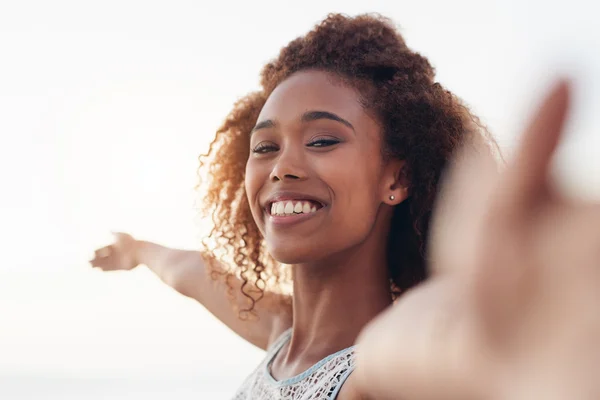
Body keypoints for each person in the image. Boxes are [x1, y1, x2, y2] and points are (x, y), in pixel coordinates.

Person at [90, 13, 600, 400]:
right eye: (265, 146)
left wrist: (520, 334)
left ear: (395, 177)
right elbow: (190, 270)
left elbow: (438, 340)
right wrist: (135, 251)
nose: (281, 167)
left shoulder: (375, 362)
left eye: (323, 141)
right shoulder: (276, 333)